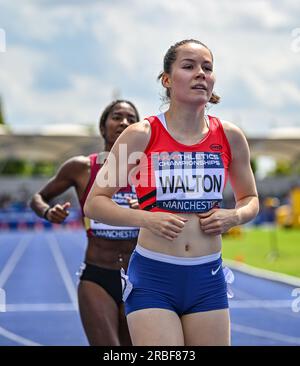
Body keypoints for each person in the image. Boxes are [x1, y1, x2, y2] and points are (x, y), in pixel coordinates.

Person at [84, 39, 259, 346]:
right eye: (189, 66)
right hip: (155, 277)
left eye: (207, 67)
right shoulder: (141, 135)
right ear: (167, 79)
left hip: (208, 277)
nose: (200, 74)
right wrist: (147, 220)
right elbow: (94, 204)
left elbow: (251, 200)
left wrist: (232, 216)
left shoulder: (229, 135)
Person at [30, 100, 140, 346]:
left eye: (131, 119)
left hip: (140, 277)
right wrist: (49, 213)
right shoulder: (82, 168)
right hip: (97, 276)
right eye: (117, 116)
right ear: (103, 127)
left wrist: (148, 208)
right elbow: (38, 197)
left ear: (137, 129)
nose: (124, 122)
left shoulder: (149, 170)